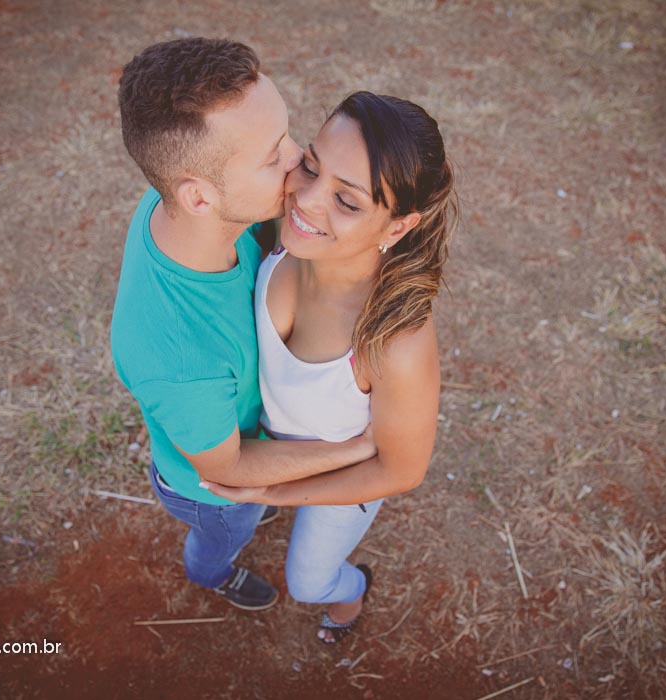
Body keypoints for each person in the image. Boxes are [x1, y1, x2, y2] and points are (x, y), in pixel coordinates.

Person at [110, 39, 377, 612]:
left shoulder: (181, 209)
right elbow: (230, 470)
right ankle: (211, 575)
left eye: (285, 133)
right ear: (199, 196)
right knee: (228, 532)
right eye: (270, 156)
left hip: (228, 428)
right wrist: (360, 447)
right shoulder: (180, 359)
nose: (299, 156)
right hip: (213, 493)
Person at [204, 91, 457, 642]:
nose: (307, 200)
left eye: (348, 202)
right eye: (312, 166)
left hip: (347, 474)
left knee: (308, 581)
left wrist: (274, 492)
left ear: (396, 227)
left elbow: (400, 470)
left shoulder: (396, 342)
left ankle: (352, 596)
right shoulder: (276, 234)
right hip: (269, 442)